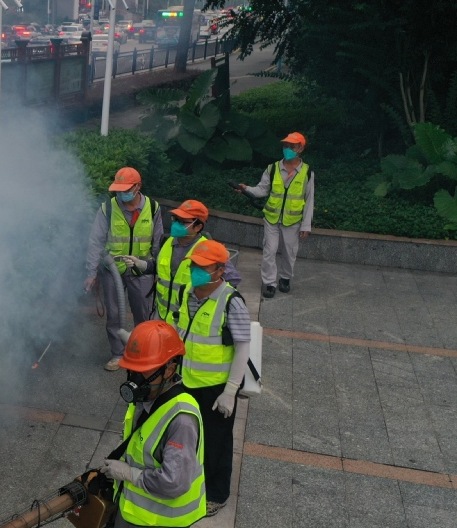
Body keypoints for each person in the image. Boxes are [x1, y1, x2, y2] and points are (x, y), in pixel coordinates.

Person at [87, 320, 205, 528]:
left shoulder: (182, 418)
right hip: (134, 505)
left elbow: (174, 482)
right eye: (132, 371)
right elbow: (139, 442)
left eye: (143, 372)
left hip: (163, 516)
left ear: (170, 369)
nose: (135, 381)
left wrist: (128, 473)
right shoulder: (149, 398)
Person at [174, 240, 250, 517]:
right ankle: (189, 482)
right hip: (187, 381)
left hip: (216, 388)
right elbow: (180, 330)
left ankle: (217, 495)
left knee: (217, 442)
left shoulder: (232, 302)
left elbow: (243, 346)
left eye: (203, 267)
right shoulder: (187, 293)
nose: (196, 270)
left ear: (220, 270)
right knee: (188, 437)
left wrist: (230, 390)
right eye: (194, 264)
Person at [83, 168, 165, 371]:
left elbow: (158, 243)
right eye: (118, 190)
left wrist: (156, 272)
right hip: (113, 271)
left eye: (125, 189)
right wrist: (91, 273)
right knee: (114, 314)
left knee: (143, 315)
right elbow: (95, 242)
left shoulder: (153, 208)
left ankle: (140, 353)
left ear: (138, 186)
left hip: (142, 271)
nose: (121, 194)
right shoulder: (108, 209)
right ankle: (117, 354)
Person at [115, 199, 240, 327]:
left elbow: (232, 281)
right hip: (162, 315)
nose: (176, 224)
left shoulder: (208, 249)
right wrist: (142, 264)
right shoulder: (167, 242)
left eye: (183, 221)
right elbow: (159, 266)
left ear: (198, 226)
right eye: (176, 219)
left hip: (187, 320)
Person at [235, 132, 314, 298]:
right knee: (269, 250)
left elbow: (309, 199)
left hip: (293, 221)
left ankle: (285, 278)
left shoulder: (307, 172)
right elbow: (262, 190)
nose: (288, 149)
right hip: (272, 218)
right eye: (285, 146)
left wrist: (306, 225)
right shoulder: (272, 169)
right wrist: (246, 189)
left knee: (289, 251)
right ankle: (269, 283)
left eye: (292, 146)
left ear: (300, 148)